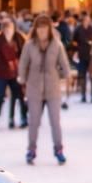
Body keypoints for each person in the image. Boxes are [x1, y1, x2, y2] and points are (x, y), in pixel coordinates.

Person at [18, 14, 69, 165]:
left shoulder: (57, 44)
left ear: (49, 29)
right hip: (34, 88)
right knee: (34, 121)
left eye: (44, 29)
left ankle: (59, 150)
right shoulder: (29, 45)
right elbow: (23, 63)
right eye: (39, 29)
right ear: (35, 30)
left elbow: (64, 64)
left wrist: (62, 74)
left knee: (55, 121)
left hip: (53, 89)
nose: (42, 32)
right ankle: (31, 150)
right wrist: (22, 77)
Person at [0, 19, 26, 131]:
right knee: (0, 96)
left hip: (15, 71)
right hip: (2, 71)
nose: (9, 31)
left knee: (18, 95)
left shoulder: (18, 37)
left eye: (11, 28)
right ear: (3, 29)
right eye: (7, 28)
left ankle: (16, 118)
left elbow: (24, 53)